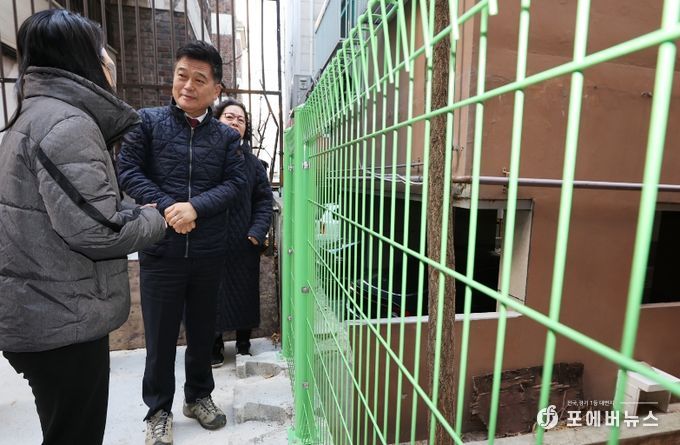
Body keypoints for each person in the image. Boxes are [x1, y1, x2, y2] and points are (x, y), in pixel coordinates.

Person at [0, 9, 167, 445]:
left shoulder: (33, 116)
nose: (109, 60)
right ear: (82, 59)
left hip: (41, 309)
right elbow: (98, 231)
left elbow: (80, 206)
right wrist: (156, 218)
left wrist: (129, 209)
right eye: (101, 51)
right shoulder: (67, 125)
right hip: (60, 321)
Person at [117, 41, 245, 445]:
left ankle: (198, 397)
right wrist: (171, 207)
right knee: (159, 338)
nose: (188, 85)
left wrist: (196, 208)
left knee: (204, 332)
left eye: (199, 79)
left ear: (216, 88)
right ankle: (158, 411)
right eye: (181, 75)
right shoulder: (147, 122)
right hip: (161, 251)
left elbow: (236, 184)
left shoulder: (226, 137)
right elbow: (128, 171)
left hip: (208, 252)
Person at [211, 98, 273, 366]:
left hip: (243, 240)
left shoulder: (254, 164)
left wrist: (257, 232)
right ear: (216, 120)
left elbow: (263, 201)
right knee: (211, 294)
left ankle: (243, 343)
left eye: (241, 119)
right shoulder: (204, 157)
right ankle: (213, 343)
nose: (235, 122)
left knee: (244, 293)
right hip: (210, 241)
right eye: (229, 117)